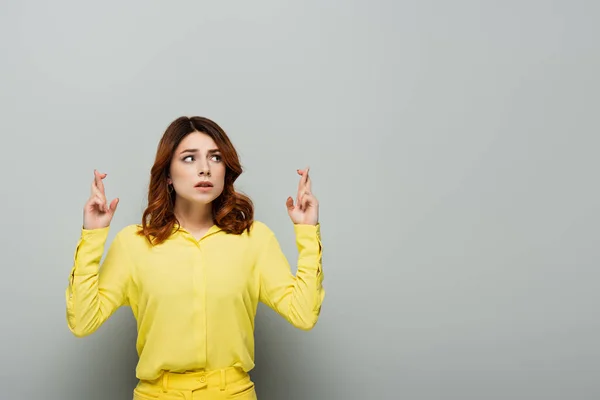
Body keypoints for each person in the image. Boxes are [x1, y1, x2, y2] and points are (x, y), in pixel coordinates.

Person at [65, 116, 324, 400]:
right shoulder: (134, 243)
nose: (205, 169)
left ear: (226, 169)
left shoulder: (255, 239)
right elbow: (83, 321)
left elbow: (303, 313)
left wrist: (307, 230)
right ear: (167, 174)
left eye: (215, 158)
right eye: (189, 158)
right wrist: (93, 235)